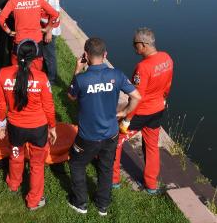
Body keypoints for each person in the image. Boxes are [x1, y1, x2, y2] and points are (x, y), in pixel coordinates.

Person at [67, 37, 141, 216]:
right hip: (111, 134)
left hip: (87, 136)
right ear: (105, 55)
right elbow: (137, 97)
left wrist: (77, 70)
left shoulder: (82, 79)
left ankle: (81, 203)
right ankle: (103, 206)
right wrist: (123, 113)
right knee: (106, 168)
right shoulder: (116, 75)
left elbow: (71, 96)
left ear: (86, 55)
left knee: (77, 164)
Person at [0, 39, 57, 211]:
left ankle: (13, 184)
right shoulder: (42, 78)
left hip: (15, 128)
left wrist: (1, 125)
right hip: (38, 129)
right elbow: (49, 107)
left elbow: (1, 104)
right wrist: (52, 127)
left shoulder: (3, 74)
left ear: (15, 55)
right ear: (36, 59)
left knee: (16, 156)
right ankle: (33, 201)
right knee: (37, 165)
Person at [112, 28, 174, 194]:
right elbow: (167, 85)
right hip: (158, 110)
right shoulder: (167, 58)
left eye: (135, 44)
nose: (134, 48)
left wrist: (126, 118)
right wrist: (163, 98)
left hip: (141, 112)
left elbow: (136, 97)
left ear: (144, 44)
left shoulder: (143, 67)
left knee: (115, 140)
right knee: (152, 146)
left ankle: (113, 180)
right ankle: (151, 185)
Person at [0, 0, 59, 71]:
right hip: (36, 41)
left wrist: (8, 31)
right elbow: (55, 15)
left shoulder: (13, 1)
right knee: (35, 70)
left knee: (16, 69)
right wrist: (47, 28)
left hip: (19, 40)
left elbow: (1, 19)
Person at [33, 0, 61, 83]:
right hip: (43, 26)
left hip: (49, 28)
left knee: (49, 55)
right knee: (44, 52)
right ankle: (45, 73)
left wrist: (49, 31)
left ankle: (52, 78)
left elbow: (55, 13)